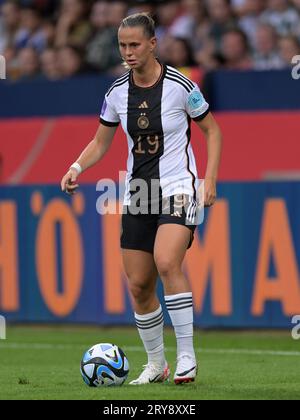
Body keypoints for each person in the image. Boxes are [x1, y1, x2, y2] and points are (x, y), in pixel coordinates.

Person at [61, 12, 222, 385]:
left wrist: (208, 180)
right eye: (122, 45)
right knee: (138, 285)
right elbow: (101, 141)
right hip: (139, 192)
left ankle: (186, 357)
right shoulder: (117, 91)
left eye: (135, 45)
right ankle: (156, 364)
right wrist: (76, 167)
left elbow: (213, 132)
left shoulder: (181, 85)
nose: (128, 52)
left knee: (167, 261)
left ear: (153, 44)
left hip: (179, 187)